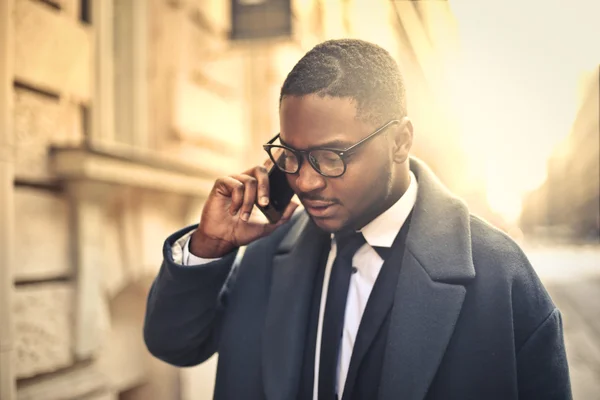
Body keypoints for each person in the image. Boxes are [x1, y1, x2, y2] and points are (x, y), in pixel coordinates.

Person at [143, 39, 571, 400]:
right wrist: (207, 248)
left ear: (400, 141)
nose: (306, 181)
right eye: (291, 155)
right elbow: (174, 344)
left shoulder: (500, 276)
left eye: (331, 157)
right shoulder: (266, 250)